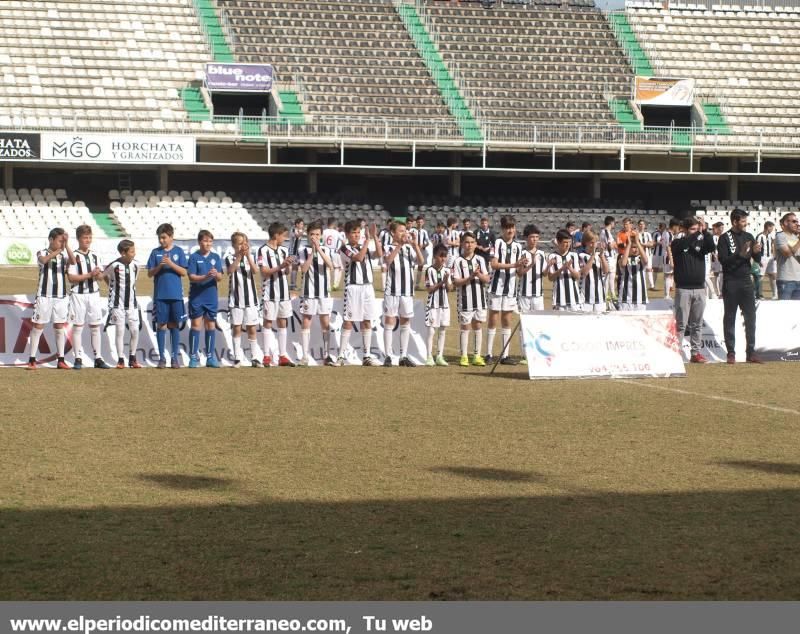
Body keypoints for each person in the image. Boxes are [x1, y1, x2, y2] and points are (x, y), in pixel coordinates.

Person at [717, 208, 762, 364]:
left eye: (745, 220)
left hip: (746, 281)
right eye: (742, 221)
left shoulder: (749, 236)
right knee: (730, 317)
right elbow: (723, 261)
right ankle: (731, 352)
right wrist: (739, 254)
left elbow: (756, 259)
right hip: (731, 281)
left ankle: (751, 352)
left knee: (751, 317)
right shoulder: (724, 238)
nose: (745, 223)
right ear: (735, 222)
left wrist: (757, 252)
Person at [26, 227, 75, 370]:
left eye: (63, 241)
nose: (61, 244)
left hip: (60, 297)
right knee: (38, 326)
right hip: (44, 296)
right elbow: (44, 260)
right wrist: (59, 250)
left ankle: (60, 359)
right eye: (60, 241)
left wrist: (67, 246)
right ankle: (32, 359)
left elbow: (73, 262)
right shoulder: (42, 252)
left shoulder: (63, 256)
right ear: (51, 240)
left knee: (59, 327)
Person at [670, 217, 716, 363]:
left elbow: (711, 247)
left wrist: (706, 232)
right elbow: (686, 242)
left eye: (697, 229)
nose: (696, 232)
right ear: (684, 229)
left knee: (697, 324)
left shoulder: (700, 242)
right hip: (683, 289)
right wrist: (697, 234)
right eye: (693, 229)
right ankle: (675, 352)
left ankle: (695, 353)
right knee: (681, 324)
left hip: (700, 289)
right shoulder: (677, 243)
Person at [339, 220, 383, 366]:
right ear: (347, 234)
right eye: (353, 232)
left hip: (368, 288)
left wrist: (375, 237)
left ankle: (367, 356)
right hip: (353, 288)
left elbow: (379, 253)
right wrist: (367, 241)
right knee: (349, 321)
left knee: (367, 320)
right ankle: (341, 356)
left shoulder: (363, 247)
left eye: (358, 232)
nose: (357, 235)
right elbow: (358, 258)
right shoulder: (344, 248)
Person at [382, 220, 424, 367]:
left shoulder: (409, 249)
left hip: (407, 290)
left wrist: (415, 245)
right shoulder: (388, 246)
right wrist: (399, 245)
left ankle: (403, 355)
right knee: (390, 320)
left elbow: (421, 261)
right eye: (401, 231)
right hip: (392, 290)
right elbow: (388, 260)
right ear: (393, 233)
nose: (404, 233)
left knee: (406, 321)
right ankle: (388, 355)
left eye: (405, 230)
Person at [68, 224, 109, 369]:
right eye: (85, 237)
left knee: (95, 327)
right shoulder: (73, 256)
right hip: (78, 295)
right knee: (78, 327)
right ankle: (78, 358)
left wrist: (99, 275)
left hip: (94, 294)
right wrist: (89, 275)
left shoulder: (95, 255)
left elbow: (100, 277)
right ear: (79, 239)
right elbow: (71, 278)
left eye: (90, 237)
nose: (88, 240)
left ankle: (98, 358)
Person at [147, 223, 188, 369]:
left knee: (174, 325)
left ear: (171, 237)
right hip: (160, 296)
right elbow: (149, 273)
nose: (162, 241)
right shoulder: (155, 252)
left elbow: (184, 272)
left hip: (176, 295)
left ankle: (174, 357)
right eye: (160, 238)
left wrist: (170, 263)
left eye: (164, 237)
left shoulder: (179, 252)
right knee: (161, 325)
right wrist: (159, 266)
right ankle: (162, 358)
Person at [298, 220, 337, 367]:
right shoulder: (303, 250)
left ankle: (327, 356)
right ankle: (305, 356)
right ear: (308, 235)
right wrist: (312, 252)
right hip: (308, 292)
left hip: (323, 293)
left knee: (325, 323)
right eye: (312, 234)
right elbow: (304, 269)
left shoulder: (326, 250)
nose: (314, 237)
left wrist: (319, 250)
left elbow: (331, 266)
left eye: (317, 234)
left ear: (321, 236)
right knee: (306, 322)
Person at [258, 222, 295, 367]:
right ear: (276, 235)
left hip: (284, 293)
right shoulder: (262, 250)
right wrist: (281, 266)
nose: (284, 239)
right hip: (269, 292)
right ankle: (266, 355)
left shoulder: (284, 251)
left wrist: (288, 266)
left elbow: (286, 272)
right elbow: (264, 272)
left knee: (282, 322)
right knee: (268, 322)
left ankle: (282, 355)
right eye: (283, 236)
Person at [487, 215, 523, 365]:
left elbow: (519, 272)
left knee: (507, 320)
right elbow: (494, 264)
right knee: (493, 319)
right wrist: (514, 265)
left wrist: (525, 266)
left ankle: (504, 356)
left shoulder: (518, 246)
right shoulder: (497, 242)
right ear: (502, 229)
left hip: (510, 288)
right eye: (507, 227)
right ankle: (488, 354)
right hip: (496, 286)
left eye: (512, 227)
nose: (510, 230)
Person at [225, 232, 263, 368]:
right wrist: (239, 256)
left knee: (251, 328)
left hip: (251, 300)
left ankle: (255, 357)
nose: (243, 246)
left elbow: (255, 271)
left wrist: (247, 256)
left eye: (245, 243)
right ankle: (237, 358)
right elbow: (230, 270)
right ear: (234, 245)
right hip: (235, 300)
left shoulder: (250, 257)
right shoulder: (229, 257)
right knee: (237, 328)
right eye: (240, 243)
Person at [187, 230, 223, 368]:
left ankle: (210, 357)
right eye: (205, 241)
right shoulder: (194, 257)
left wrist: (215, 275)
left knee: (211, 325)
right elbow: (191, 277)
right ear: (199, 242)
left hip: (211, 296)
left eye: (210, 241)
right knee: (196, 326)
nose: (208, 244)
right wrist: (206, 276)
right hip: (197, 296)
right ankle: (193, 357)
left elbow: (220, 277)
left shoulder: (215, 257)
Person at [452, 232, 489, 367]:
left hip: (479, 300)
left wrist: (478, 274)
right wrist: (470, 277)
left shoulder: (480, 260)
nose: (469, 245)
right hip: (465, 299)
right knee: (465, 327)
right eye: (467, 242)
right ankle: (464, 356)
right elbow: (456, 282)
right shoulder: (457, 261)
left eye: (472, 242)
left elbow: (487, 279)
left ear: (475, 244)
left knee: (478, 326)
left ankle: (477, 355)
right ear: (462, 244)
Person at [105, 239, 142, 369]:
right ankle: (120, 359)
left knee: (135, 330)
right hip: (117, 304)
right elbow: (104, 275)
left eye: (134, 250)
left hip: (132, 304)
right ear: (123, 253)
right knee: (120, 331)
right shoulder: (114, 266)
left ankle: (132, 358)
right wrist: (111, 287)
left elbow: (133, 282)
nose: (134, 253)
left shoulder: (136, 265)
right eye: (131, 251)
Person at [424, 244, 451, 367]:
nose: (443, 259)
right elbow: (430, 289)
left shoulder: (447, 270)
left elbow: (450, 288)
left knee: (443, 330)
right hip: (433, 305)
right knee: (431, 331)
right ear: (435, 256)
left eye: (445, 256)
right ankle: (429, 356)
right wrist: (442, 282)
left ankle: (439, 356)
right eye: (441, 256)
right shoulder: (429, 270)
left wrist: (447, 282)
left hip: (444, 305)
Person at [548, 229, 583, 312]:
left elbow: (578, 276)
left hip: (574, 299)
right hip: (559, 299)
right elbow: (550, 278)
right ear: (559, 242)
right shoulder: (552, 256)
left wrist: (569, 268)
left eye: (569, 242)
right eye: (565, 242)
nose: (568, 245)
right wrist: (561, 269)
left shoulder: (574, 256)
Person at [617, 228, 649, 311]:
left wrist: (637, 242)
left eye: (637, 247)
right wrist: (629, 244)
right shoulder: (622, 257)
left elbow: (645, 260)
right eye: (633, 247)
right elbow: (623, 264)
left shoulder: (640, 257)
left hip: (640, 297)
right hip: (625, 297)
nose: (636, 249)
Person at [579, 230, 608, 313]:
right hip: (585, 298)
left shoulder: (599, 255)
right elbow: (584, 272)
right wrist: (593, 255)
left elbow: (606, 271)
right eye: (591, 242)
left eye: (595, 242)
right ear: (585, 243)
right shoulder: (581, 255)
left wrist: (602, 256)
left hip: (600, 298)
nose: (593, 245)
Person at [774, 212, 800, 299]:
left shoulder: (796, 238)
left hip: (798, 280)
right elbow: (787, 253)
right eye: (794, 221)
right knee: (784, 311)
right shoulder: (780, 236)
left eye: (797, 221)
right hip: (785, 280)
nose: (797, 223)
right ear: (785, 223)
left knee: (796, 312)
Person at [322, 217, 344, 291]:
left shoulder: (324, 232)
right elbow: (344, 242)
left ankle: (328, 286)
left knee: (327, 269)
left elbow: (321, 242)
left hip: (325, 251)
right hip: (334, 251)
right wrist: (340, 248)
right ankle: (335, 284)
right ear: (334, 224)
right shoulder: (336, 232)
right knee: (338, 268)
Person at [756, 221, 777, 299]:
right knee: (761, 276)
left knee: (773, 275)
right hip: (762, 258)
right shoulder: (759, 236)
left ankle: (775, 294)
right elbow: (757, 248)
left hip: (770, 258)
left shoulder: (770, 236)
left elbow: (772, 246)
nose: (772, 229)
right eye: (771, 227)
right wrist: (758, 259)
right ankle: (759, 294)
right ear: (768, 227)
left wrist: (774, 256)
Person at [600, 216, 617, 301]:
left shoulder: (606, 232)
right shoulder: (606, 232)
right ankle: (610, 294)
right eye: (614, 222)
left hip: (610, 255)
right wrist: (614, 244)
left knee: (609, 275)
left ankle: (607, 294)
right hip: (609, 256)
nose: (614, 224)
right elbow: (610, 246)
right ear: (611, 223)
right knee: (610, 275)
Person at [662, 218, 680, 299]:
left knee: (669, 275)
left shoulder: (665, 233)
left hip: (666, 256)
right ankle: (667, 295)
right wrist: (672, 260)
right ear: (675, 226)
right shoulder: (668, 234)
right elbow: (668, 247)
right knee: (668, 275)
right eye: (678, 227)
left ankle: (667, 294)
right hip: (668, 256)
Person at [637, 220, 656, 290]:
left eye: (643, 224)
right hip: (639, 254)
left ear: (645, 226)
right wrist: (646, 244)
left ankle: (652, 285)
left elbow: (651, 244)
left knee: (649, 269)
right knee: (641, 269)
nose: (641, 226)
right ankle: (643, 284)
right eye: (640, 224)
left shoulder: (648, 234)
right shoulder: (636, 234)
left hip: (648, 254)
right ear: (638, 225)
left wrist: (643, 244)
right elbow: (636, 244)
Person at [288, 217, 305, 291]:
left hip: (297, 251)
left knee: (297, 268)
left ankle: (294, 284)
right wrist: (303, 232)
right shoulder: (293, 230)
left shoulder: (300, 230)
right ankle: (292, 284)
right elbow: (297, 236)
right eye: (301, 224)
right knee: (294, 267)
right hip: (293, 251)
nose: (302, 225)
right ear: (297, 224)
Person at [710, 221, 725, 297]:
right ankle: (717, 292)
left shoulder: (723, 237)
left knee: (722, 275)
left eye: (723, 227)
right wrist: (714, 255)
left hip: (722, 258)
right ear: (718, 228)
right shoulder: (713, 237)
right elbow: (712, 248)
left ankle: (721, 292)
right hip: (715, 259)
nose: (722, 229)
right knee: (716, 275)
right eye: (721, 228)